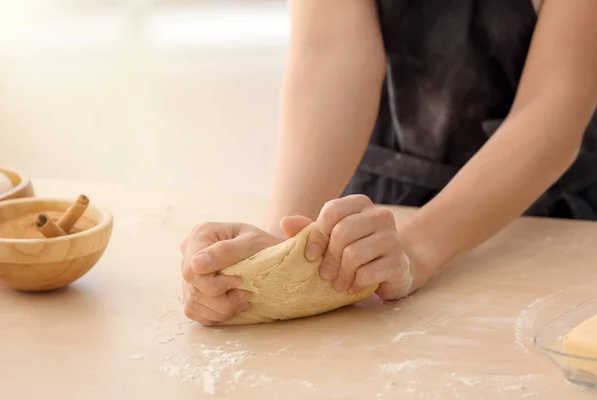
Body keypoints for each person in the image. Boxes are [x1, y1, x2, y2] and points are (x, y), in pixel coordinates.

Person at [180, 0, 597, 326]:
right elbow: (330, 49)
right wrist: (283, 248)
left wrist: (417, 249)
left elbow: (553, 107)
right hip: (380, 207)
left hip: (546, 216)